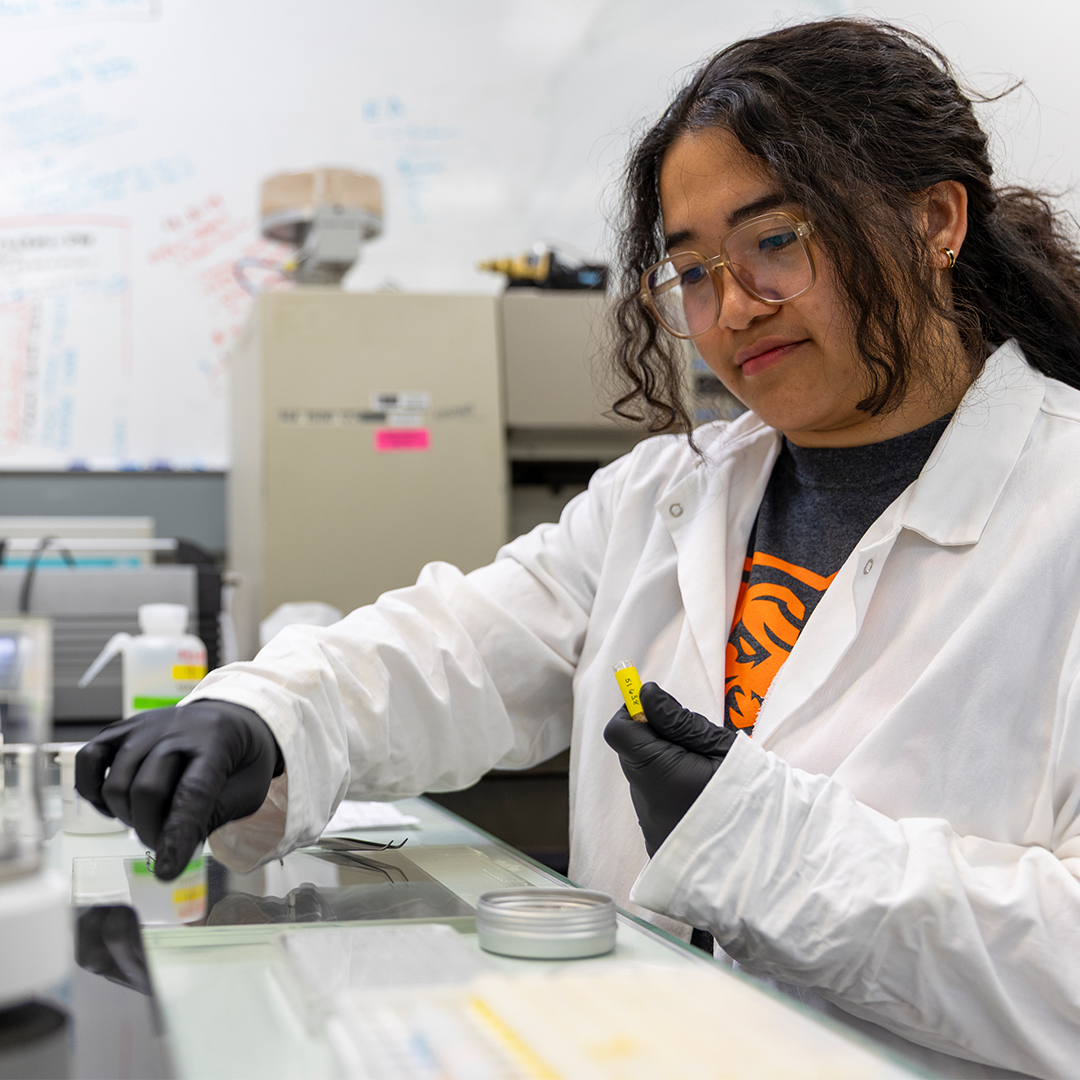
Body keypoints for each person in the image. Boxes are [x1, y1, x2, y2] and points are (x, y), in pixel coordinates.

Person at [77, 18, 1080, 1078]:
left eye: (777, 241)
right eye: (693, 272)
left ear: (935, 220)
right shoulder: (672, 495)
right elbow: (460, 647)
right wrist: (267, 716)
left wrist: (770, 848)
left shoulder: (1056, 510)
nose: (732, 309)